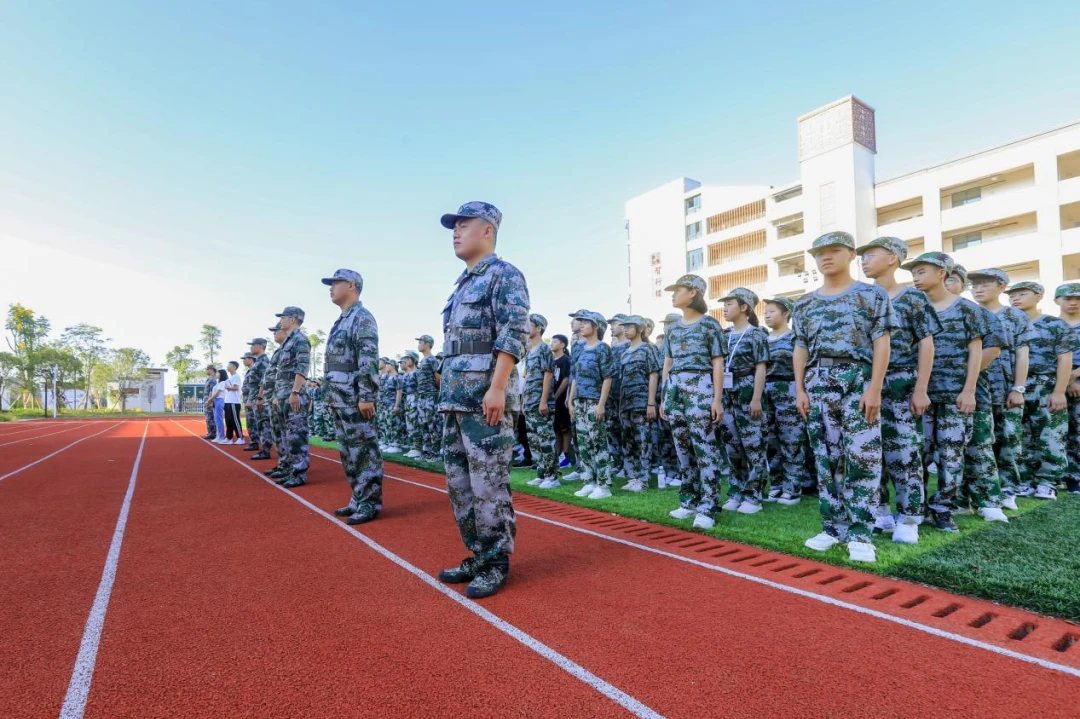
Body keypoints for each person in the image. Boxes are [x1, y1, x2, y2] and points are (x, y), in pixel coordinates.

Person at [434, 201, 529, 599]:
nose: (456, 232)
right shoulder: (462, 283)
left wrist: (498, 386)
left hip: (485, 397)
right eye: (454, 227)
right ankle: (478, 552)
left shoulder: (504, 275)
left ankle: (495, 562)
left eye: (463, 225)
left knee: (488, 485)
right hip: (456, 398)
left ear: (487, 230)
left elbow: (514, 331)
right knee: (460, 485)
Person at [794, 231, 891, 563]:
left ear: (851, 254)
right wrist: (800, 388)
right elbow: (800, 346)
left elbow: (881, 341)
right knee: (825, 457)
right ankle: (831, 527)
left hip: (857, 377)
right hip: (818, 378)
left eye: (834, 251)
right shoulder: (804, 303)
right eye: (819, 253)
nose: (825, 257)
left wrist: (875, 387)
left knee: (862, 456)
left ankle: (861, 532)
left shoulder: (871, 295)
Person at [903, 253, 1000, 532]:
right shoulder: (911, 307)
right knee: (915, 454)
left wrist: (969, 391)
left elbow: (976, 352)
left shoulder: (968, 310)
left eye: (922, 271)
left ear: (942, 273)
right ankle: (915, 507)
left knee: (951, 455)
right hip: (915, 395)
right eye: (914, 273)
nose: (916, 277)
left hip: (954, 394)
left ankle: (943, 507)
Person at [858, 237, 938, 543]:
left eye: (871, 255)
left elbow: (926, 344)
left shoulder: (913, 299)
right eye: (862, 256)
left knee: (904, 451)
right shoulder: (861, 296)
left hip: (901, 381)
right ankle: (880, 512)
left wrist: (921, 388)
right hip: (863, 382)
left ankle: (908, 517)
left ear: (892, 258)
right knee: (867, 450)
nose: (864, 261)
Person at [661, 275, 730, 529]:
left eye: (677, 290)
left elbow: (717, 362)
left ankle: (708, 506)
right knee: (683, 448)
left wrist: (717, 399)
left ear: (693, 293)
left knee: (705, 447)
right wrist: (664, 395)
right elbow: (667, 361)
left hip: (701, 386)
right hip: (676, 388)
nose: (672, 294)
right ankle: (689, 500)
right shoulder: (672, 328)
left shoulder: (709, 325)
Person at [320, 268, 384, 525]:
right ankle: (359, 497)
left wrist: (366, 395)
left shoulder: (362, 318)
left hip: (354, 396)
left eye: (335, 283)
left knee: (364, 450)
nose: (331, 287)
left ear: (352, 285)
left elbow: (368, 359)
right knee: (348, 451)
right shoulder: (342, 320)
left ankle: (370, 502)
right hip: (339, 396)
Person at [1006, 281, 1079, 499]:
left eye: (1022, 294)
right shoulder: (1009, 323)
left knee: (1051, 434)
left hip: (1045, 385)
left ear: (1039, 296)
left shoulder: (1055, 324)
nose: (1016, 298)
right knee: (1021, 436)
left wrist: (1058, 391)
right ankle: (1026, 479)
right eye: (1013, 295)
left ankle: (1049, 481)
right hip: (1017, 386)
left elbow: (1064, 360)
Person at [947, 265, 1008, 519]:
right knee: (948, 451)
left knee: (978, 446)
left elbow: (993, 349)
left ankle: (988, 501)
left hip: (973, 392)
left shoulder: (975, 312)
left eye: (953, 280)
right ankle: (955, 501)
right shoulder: (923, 311)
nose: (947, 284)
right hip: (934, 394)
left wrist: (961, 376)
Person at [968, 268, 1033, 508]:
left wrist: (1018, 387)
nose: (978, 288)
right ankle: (978, 491)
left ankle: (1007, 489)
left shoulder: (1015, 316)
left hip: (1005, 388)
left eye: (985, 284)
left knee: (1009, 441)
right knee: (979, 443)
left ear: (1001, 287)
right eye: (974, 285)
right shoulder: (969, 312)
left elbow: (1022, 352)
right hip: (976, 388)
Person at [718, 288, 771, 514]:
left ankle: (753, 495)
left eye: (730, 304)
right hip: (727, 394)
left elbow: (761, 367)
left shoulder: (756, 334)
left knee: (753, 445)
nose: (725, 308)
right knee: (732, 446)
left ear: (744, 307)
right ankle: (736, 491)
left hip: (748, 390)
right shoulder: (724, 335)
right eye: (724, 304)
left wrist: (756, 398)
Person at [762, 296, 810, 506]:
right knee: (771, 440)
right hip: (765, 391)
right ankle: (777, 485)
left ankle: (792, 487)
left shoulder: (794, 339)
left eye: (772, 311)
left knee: (791, 439)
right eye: (766, 312)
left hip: (789, 389)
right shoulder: (763, 339)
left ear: (786, 314)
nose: (767, 315)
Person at [567, 311, 616, 500]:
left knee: (598, 442)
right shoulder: (579, 348)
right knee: (584, 443)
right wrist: (571, 401)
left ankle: (604, 485)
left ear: (596, 327)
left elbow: (607, 378)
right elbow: (575, 378)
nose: (582, 325)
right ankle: (589, 481)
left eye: (586, 323)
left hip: (594, 401)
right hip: (579, 401)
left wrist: (601, 404)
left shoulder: (602, 348)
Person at [270, 306, 312, 489]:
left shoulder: (300, 340)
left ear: (293, 319)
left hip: (293, 394)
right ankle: (289, 469)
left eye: (283, 317)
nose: (280, 321)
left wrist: (295, 392)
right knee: (287, 435)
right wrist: (279, 396)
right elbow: (281, 374)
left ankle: (299, 473)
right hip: (283, 394)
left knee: (296, 434)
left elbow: (302, 368)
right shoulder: (288, 342)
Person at [617, 315, 660, 492]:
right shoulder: (624, 352)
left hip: (642, 403)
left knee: (644, 441)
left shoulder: (648, 349)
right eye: (624, 326)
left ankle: (643, 479)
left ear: (640, 329)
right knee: (629, 441)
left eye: (629, 326)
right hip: (626, 403)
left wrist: (651, 403)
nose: (625, 329)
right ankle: (633, 476)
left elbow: (653, 375)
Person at [522, 314, 559, 489]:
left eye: (529, 324)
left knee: (546, 440)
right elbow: (528, 378)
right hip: (530, 402)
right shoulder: (531, 352)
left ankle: (552, 476)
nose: (526, 327)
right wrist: (524, 402)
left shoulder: (544, 349)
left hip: (541, 402)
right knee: (534, 441)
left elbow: (548, 375)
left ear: (539, 328)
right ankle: (541, 473)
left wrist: (543, 400)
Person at [1056, 282, 1080, 494]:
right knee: (1055, 432)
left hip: (1078, 381)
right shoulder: (1050, 324)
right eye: (1068, 299)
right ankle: (1056, 474)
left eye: (1078, 299)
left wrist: (1075, 376)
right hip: (1054, 383)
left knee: (1078, 431)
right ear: (1057, 301)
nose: (1073, 303)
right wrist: (1065, 381)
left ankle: (1075, 476)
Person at [258, 325, 287, 471]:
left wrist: (276, 395)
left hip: (282, 396)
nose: (274, 333)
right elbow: (267, 377)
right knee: (277, 433)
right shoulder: (278, 351)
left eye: (277, 330)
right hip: (272, 398)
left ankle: (294, 469)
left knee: (287, 434)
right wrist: (261, 396)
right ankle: (284, 465)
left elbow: (284, 375)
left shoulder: (291, 347)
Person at [606, 313, 630, 477]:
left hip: (627, 394)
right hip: (611, 394)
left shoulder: (631, 345)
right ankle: (617, 462)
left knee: (626, 431)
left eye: (615, 323)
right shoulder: (612, 348)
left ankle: (629, 466)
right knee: (612, 429)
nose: (612, 327)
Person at [415, 334, 442, 462]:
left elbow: (438, 378)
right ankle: (427, 451)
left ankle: (436, 453)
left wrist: (435, 393)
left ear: (427, 344)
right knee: (423, 424)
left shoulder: (432, 360)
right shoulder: (422, 361)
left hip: (430, 396)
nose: (418, 344)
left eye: (420, 342)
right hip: (421, 396)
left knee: (433, 425)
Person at [246, 338, 273, 459]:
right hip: (255, 396)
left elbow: (265, 381)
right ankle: (263, 447)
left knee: (263, 423)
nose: (251, 348)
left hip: (260, 397)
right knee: (259, 423)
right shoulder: (258, 361)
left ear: (261, 346)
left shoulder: (263, 362)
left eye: (253, 345)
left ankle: (266, 449)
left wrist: (260, 397)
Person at [550, 334, 573, 467]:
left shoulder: (566, 360)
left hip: (562, 400)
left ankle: (566, 456)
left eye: (555, 342)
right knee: (556, 429)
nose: (551, 344)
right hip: (553, 401)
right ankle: (558, 455)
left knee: (564, 429)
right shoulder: (552, 361)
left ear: (562, 345)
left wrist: (556, 396)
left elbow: (565, 380)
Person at [399, 351, 421, 458]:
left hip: (416, 399)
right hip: (408, 399)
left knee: (416, 423)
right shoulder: (406, 375)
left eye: (408, 359)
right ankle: (413, 447)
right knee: (409, 424)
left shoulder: (418, 373)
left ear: (414, 360)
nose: (406, 361)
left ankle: (417, 448)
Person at [222, 361, 244, 444]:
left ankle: (240, 438)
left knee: (235, 420)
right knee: (228, 420)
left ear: (234, 367)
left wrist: (228, 387)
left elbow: (236, 388)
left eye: (229, 365)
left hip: (234, 402)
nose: (227, 366)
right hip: (227, 401)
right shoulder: (230, 378)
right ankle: (229, 438)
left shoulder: (236, 377)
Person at [240, 353, 260, 450]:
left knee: (252, 421)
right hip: (248, 398)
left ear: (251, 359)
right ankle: (254, 441)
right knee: (250, 421)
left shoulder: (254, 370)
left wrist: (250, 399)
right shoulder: (249, 371)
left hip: (252, 399)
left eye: (245, 359)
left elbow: (254, 386)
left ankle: (255, 442)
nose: (243, 361)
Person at [205, 368, 228, 443]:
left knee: (219, 419)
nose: (216, 374)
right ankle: (219, 436)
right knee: (216, 420)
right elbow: (212, 392)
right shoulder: (218, 383)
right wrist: (211, 400)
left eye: (218, 373)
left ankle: (221, 436)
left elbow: (217, 393)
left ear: (221, 374)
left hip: (219, 400)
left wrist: (209, 400)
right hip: (215, 401)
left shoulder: (223, 383)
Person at [202, 365, 218, 440]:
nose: (206, 370)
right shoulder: (209, 379)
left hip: (209, 400)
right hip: (207, 400)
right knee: (208, 417)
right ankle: (210, 432)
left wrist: (210, 401)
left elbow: (212, 391)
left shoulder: (212, 379)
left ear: (212, 370)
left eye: (207, 369)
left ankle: (213, 433)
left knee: (210, 417)